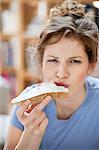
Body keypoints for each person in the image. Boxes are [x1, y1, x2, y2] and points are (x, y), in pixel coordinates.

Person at [4, 0, 99, 149]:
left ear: (91, 66)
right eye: (53, 60)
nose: (61, 73)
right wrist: (31, 134)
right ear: (41, 63)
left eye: (74, 61)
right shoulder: (28, 102)